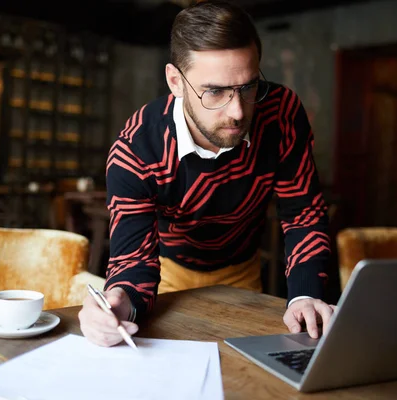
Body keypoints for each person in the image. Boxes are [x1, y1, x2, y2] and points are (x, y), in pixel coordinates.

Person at [79, 0, 336, 346]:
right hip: (167, 279)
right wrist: (120, 300)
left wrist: (305, 294)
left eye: (247, 87)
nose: (237, 111)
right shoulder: (137, 147)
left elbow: (303, 213)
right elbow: (133, 258)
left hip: (243, 271)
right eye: (214, 91)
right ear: (175, 81)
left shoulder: (282, 115)